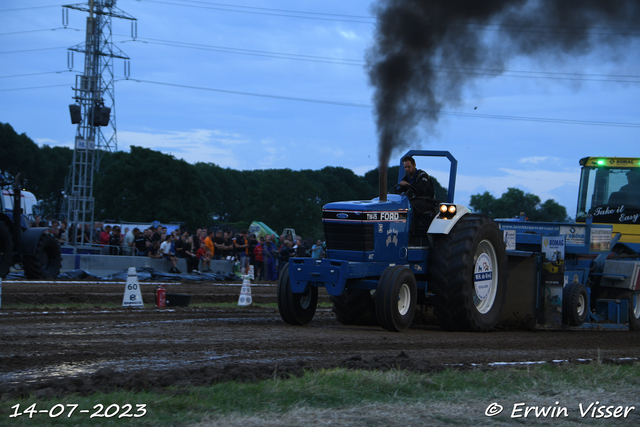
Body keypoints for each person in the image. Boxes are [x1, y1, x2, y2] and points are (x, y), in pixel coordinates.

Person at [397, 155, 438, 223]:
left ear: (414, 165)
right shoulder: (406, 177)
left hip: (426, 201)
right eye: (405, 167)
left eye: (409, 167)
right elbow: (401, 190)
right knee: (400, 205)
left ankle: (409, 229)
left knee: (409, 206)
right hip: (413, 200)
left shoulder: (422, 176)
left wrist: (408, 185)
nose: (407, 169)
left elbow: (422, 189)